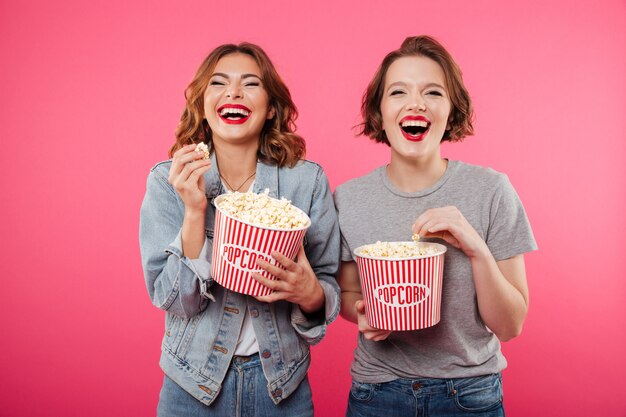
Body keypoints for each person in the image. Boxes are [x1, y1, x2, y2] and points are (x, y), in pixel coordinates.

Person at [334, 35, 537, 417]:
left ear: (451, 110)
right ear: (379, 110)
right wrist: (362, 313)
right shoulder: (348, 199)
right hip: (377, 391)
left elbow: (510, 326)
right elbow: (347, 291)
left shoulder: (491, 191)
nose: (416, 103)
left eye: (433, 92)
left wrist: (474, 246)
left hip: (470, 393)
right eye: (398, 92)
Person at [139, 42, 340, 416]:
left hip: (282, 388)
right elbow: (176, 302)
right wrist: (195, 210)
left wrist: (310, 293)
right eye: (219, 83)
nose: (233, 92)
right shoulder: (169, 181)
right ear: (202, 104)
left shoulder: (306, 182)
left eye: (250, 84)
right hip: (192, 387)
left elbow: (327, 286)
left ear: (271, 109)